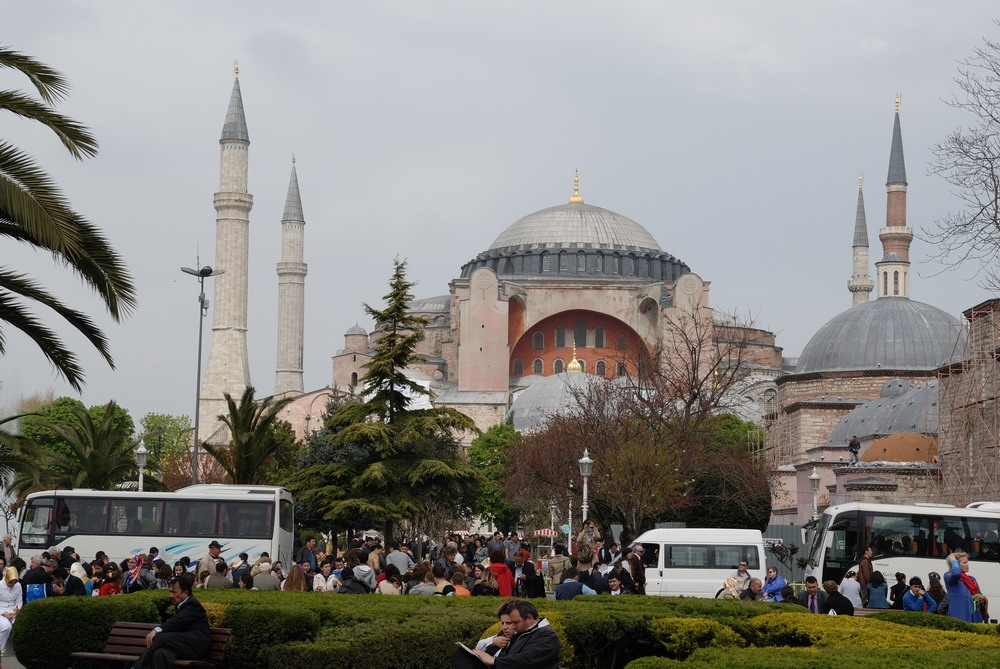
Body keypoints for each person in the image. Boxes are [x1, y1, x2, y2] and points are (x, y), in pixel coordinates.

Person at [131, 575, 210, 669]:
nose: (171, 596)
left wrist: (156, 630)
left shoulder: (193, 605)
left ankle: (136, 668)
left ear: (185, 593)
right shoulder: (181, 604)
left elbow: (177, 621)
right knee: (160, 654)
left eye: (174, 592)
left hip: (195, 647)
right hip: (184, 645)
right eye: (170, 592)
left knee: (159, 637)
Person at [458, 599, 561, 669]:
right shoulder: (524, 631)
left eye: (515, 622)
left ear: (529, 618)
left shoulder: (547, 635)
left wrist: (495, 661)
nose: (513, 627)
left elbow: (527, 660)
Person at [944, 550, 988, 622]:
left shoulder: (972, 579)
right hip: (959, 617)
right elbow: (956, 574)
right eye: (964, 562)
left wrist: (981, 599)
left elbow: (980, 595)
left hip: (975, 618)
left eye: (967, 562)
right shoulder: (948, 576)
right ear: (956, 565)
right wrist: (954, 562)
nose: (968, 564)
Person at [0, 567, 21, 657]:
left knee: (20, 624)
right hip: (1, 610)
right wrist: (4, 613)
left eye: (14, 582)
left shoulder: (18, 586)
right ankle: (1, 648)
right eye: (10, 582)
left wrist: (16, 609)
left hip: (13, 610)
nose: (12, 584)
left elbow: (19, 600)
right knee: (6, 626)